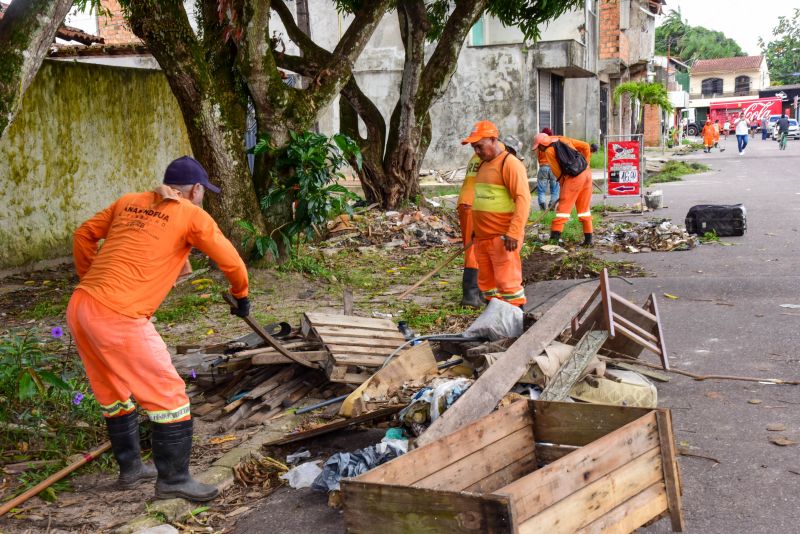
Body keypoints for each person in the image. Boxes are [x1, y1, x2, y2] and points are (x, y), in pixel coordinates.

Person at [66, 156, 250, 502]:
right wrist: (242, 297)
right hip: (119, 315)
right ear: (196, 190)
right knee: (169, 393)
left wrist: (90, 279)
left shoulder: (129, 202)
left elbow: (83, 235)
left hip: (80, 307)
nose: (203, 198)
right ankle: (174, 481)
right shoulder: (191, 214)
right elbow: (232, 262)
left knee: (114, 390)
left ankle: (131, 469)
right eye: (204, 192)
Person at [461, 120, 530, 308]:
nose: (476, 151)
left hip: (502, 238)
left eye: (479, 146)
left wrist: (514, 233)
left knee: (508, 285)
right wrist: (476, 231)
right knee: (488, 286)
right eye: (474, 147)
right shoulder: (483, 164)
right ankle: (495, 322)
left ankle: (515, 328)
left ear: (493, 140)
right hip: (482, 238)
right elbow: (481, 198)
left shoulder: (510, 164)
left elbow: (523, 200)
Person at [532, 132, 593, 246]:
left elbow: (557, 172)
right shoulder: (563, 139)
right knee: (584, 209)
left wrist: (563, 184)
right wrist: (586, 163)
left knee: (562, 211)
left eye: (538, 147)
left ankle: (554, 241)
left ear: (541, 144)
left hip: (573, 178)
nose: (539, 149)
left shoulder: (548, 150)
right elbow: (586, 146)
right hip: (587, 173)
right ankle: (589, 240)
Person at [536, 128, 560, 211]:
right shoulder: (554, 144)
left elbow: (538, 157)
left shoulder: (540, 145)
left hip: (543, 167)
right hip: (554, 168)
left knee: (541, 190)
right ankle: (552, 206)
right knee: (555, 190)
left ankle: (542, 204)